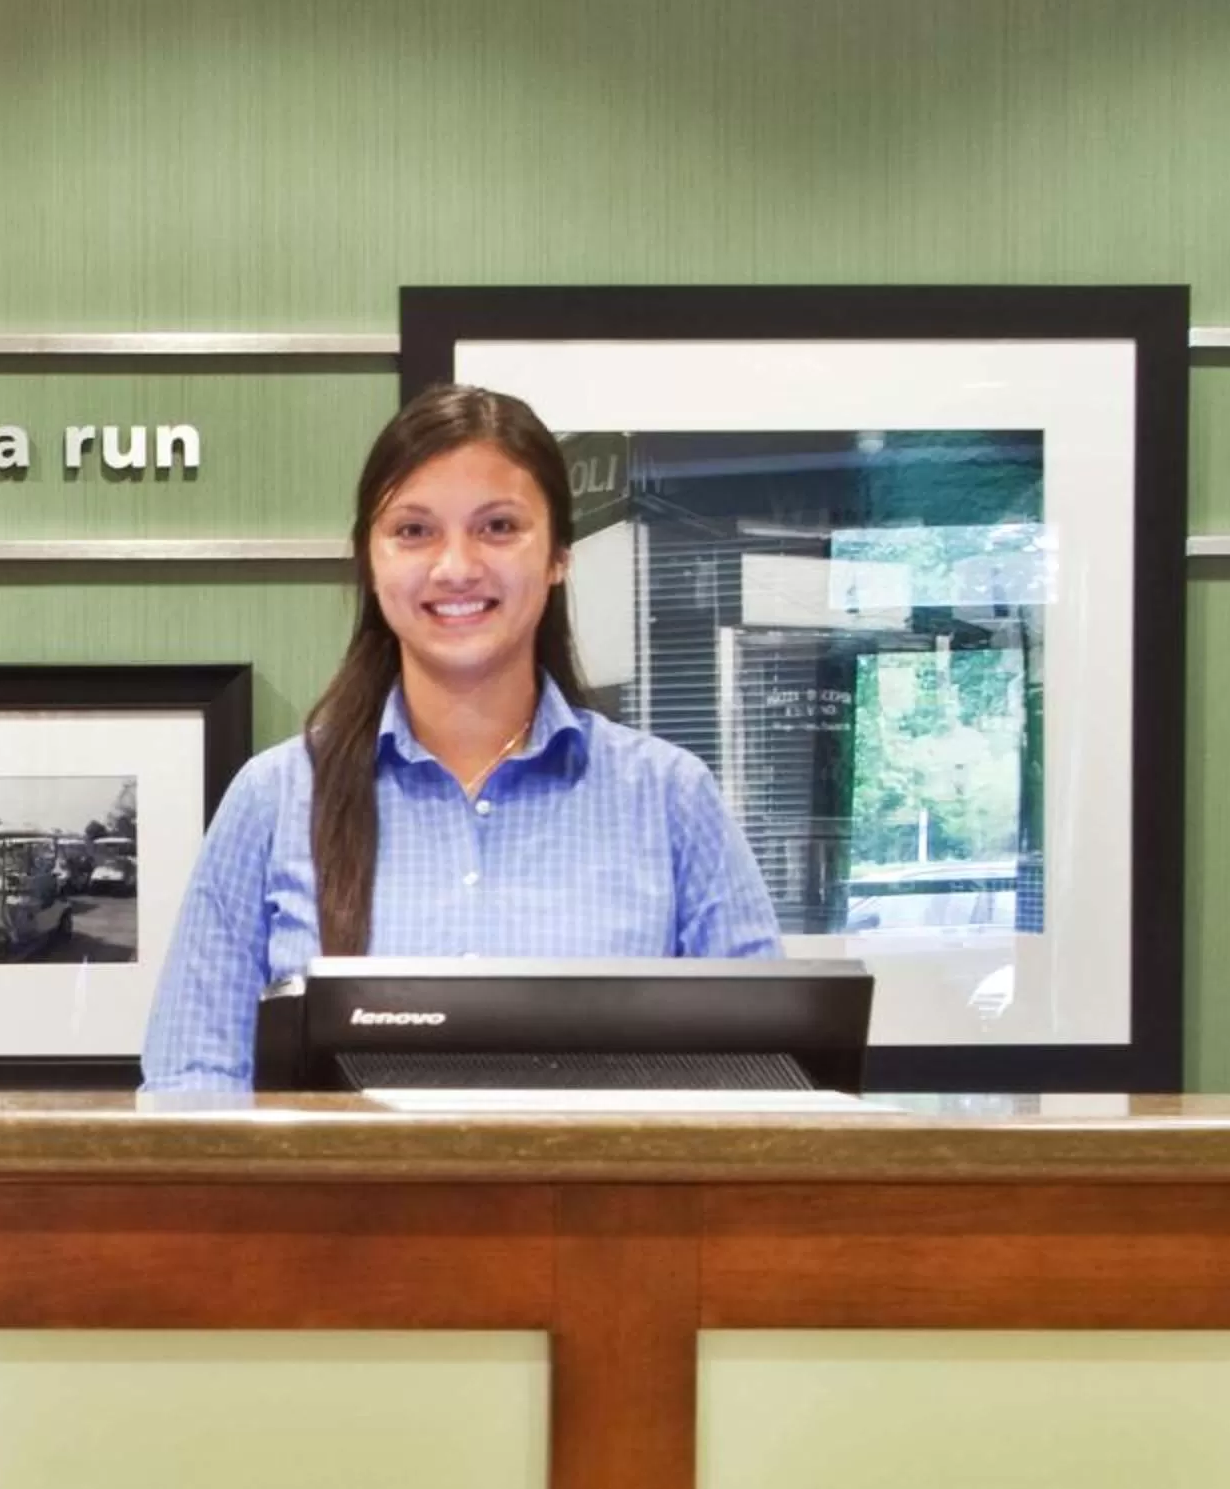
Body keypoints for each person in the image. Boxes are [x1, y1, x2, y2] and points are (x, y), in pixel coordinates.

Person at [140, 383, 783, 1092]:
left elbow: (772, 1088)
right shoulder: (274, 798)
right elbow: (190, 1084)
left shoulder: (670, 797)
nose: (456, 567)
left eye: (498, 527)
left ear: (559, 557)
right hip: (341, 1209)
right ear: (371, 559)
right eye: (413, 530)